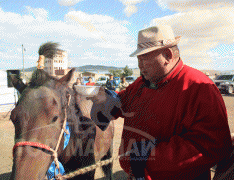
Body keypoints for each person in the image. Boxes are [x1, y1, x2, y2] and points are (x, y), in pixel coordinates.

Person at [88, 25, 232, 179]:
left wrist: (151, 155)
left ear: (168, 55)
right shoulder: (142, 83)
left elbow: (213, 145)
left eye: (144, 59)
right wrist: (105, 100)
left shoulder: (198, 88)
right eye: (138, 59)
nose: (139, 65)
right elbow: (121, 103)